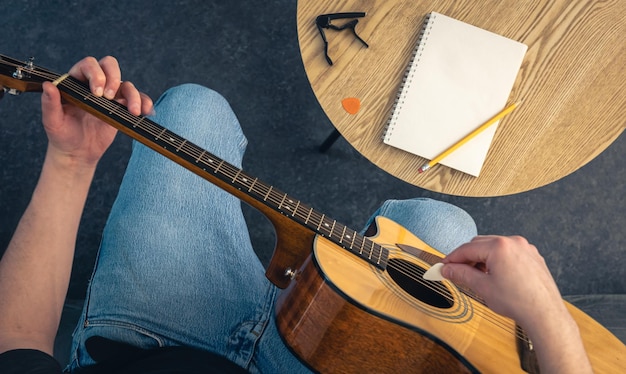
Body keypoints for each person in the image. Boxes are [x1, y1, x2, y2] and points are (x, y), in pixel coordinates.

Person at [0, 56, 591, 373]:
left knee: (193, 108)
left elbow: (18, 343)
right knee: (442, 228)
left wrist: (72, 161)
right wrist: (551, 322)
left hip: (151, 345)